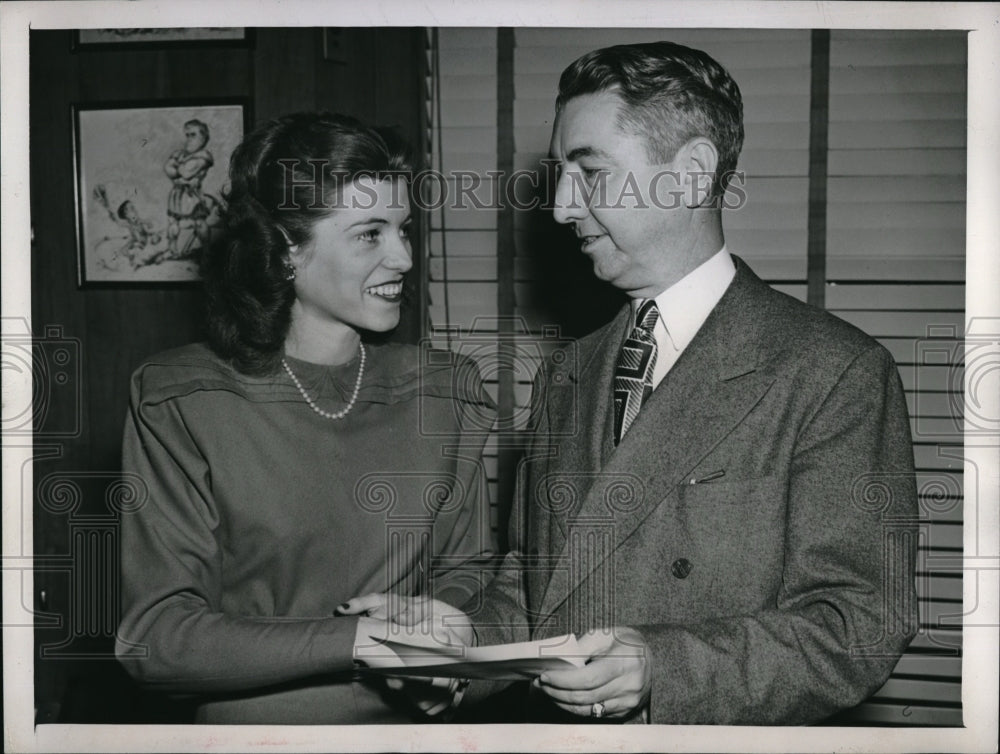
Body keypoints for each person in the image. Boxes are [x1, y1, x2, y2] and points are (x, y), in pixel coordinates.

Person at [344, 40, 918, 725]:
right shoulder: (568, 372)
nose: (561, 208)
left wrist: (662, 668)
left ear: (691, 174)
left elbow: (857, 624)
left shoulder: (833, 372)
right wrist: (463, 642)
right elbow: (537, 588)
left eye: (590, 174)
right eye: (561, 175)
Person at [115, 111, 495, 724]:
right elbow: (156, 639)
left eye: (404, 229)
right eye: (370, 234)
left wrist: (442, 637)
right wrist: (361, 643)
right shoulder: (181, 400)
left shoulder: (445, 391)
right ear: (288, 250)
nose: (403, 257)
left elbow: (468, 571)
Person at [163, 118, 215, 258]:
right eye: (187, 135)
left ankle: (207, 250)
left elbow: (186, 172)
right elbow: (168, 169)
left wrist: (177, 167)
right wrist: (178, 170)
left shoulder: (203, 156)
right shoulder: (181, 154)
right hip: (177, 194)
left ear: (203, 138)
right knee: (173, 221)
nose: (189, 139)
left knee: (199, 222)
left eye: (193, 135)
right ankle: (173, 250)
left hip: (192, 196)